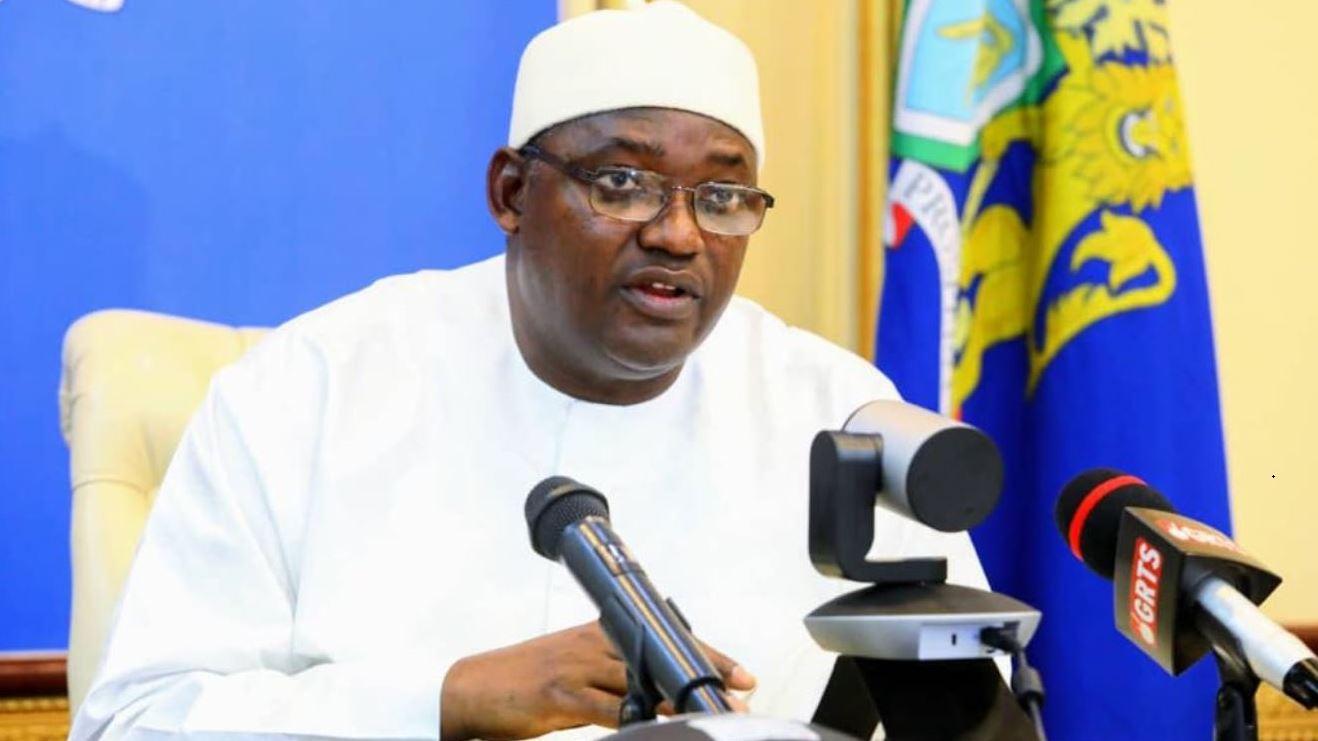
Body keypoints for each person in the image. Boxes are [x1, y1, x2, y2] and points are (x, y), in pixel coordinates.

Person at [70, 3, 990, 740]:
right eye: (621, 183)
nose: (679, 234)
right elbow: (133, 722)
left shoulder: (833, 408)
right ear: (512, 192)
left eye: (721, 197)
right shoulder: (307, 390)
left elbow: (967, 702)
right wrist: (453, 698)